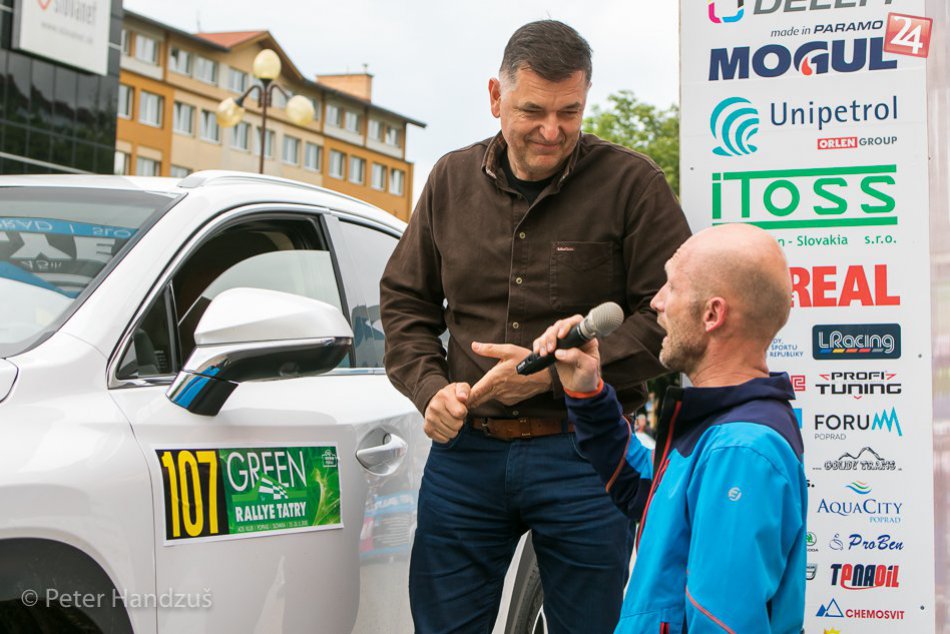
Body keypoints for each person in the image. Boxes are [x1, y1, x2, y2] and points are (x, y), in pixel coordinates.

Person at [379, 19, 691, 634]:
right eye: (533, 111)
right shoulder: (447, 180)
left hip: (586, 454)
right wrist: (429, 388)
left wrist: (553, 382)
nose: (552, 131)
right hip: (465, 453)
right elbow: (405, 303)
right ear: (496, 97)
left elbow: (669, 316)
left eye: (569, 112)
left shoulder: (633, 184)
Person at [533, 224, 806, 633]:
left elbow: (722, 624)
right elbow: (643, 489)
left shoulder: (739, 450)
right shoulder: (722, 430)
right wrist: (586, 393)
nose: (657, 303)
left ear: (712, 314)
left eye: (672, 287)